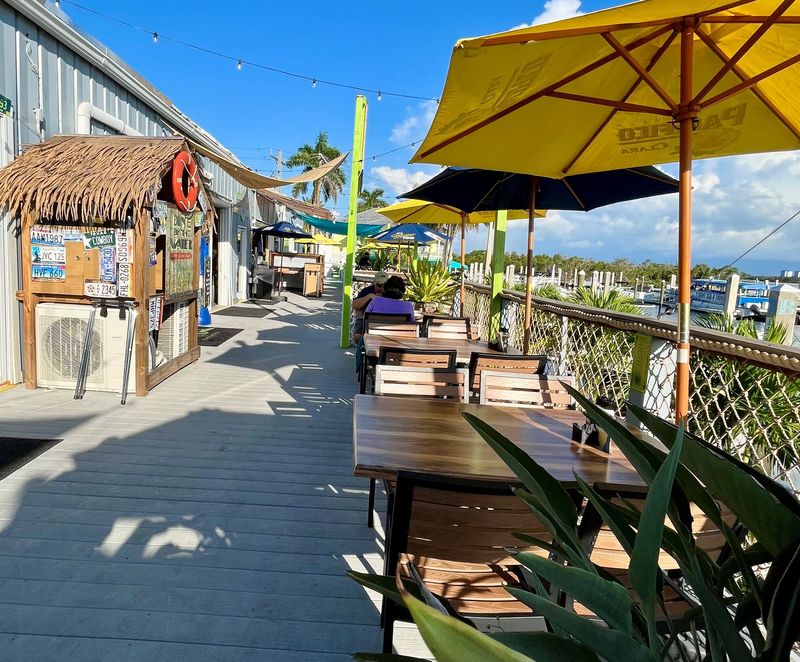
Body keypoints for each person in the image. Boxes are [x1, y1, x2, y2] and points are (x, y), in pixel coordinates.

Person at [352, 271, 389, 339]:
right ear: (374, 282)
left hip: (385, 320)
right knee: (357, 337)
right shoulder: (367, 291)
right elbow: (354, 305)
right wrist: (368, 297)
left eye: (385, 285)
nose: (382, 288)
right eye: (379, 285)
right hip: (365, 318)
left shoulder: (390, 292)